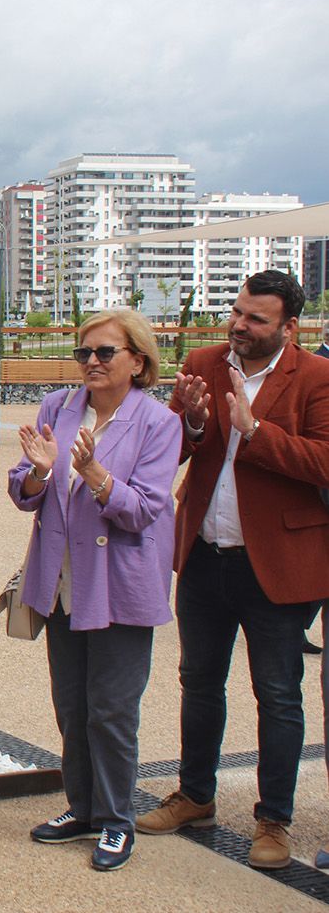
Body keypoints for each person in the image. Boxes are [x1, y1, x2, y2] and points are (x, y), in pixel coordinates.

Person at [137, 270, 329, 870]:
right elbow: (172, 448)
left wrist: (257, 431)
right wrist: (191, 423)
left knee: (276, 694)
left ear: (289, 327)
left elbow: (324, 462)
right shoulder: (205, 360)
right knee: (198, 680)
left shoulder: (318, 377)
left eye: (256, 319)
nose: (239, 326)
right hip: (204, 554)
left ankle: (274, 819)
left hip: (276, 565)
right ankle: (196, 794)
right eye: (237, 312)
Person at [8, 309, 181, 872]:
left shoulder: (158, 423)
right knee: (72, 704)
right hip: (60, 584)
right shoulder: (58, 408)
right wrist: (38, 472)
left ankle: (115, 820)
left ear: (138, 359)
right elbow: (25, 491)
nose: (91, 363)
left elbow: (148, 511)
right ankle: (81, 808)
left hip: (119, 587)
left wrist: (98, 476)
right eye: (84, 352)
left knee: (111, 710)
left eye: (105, 352)